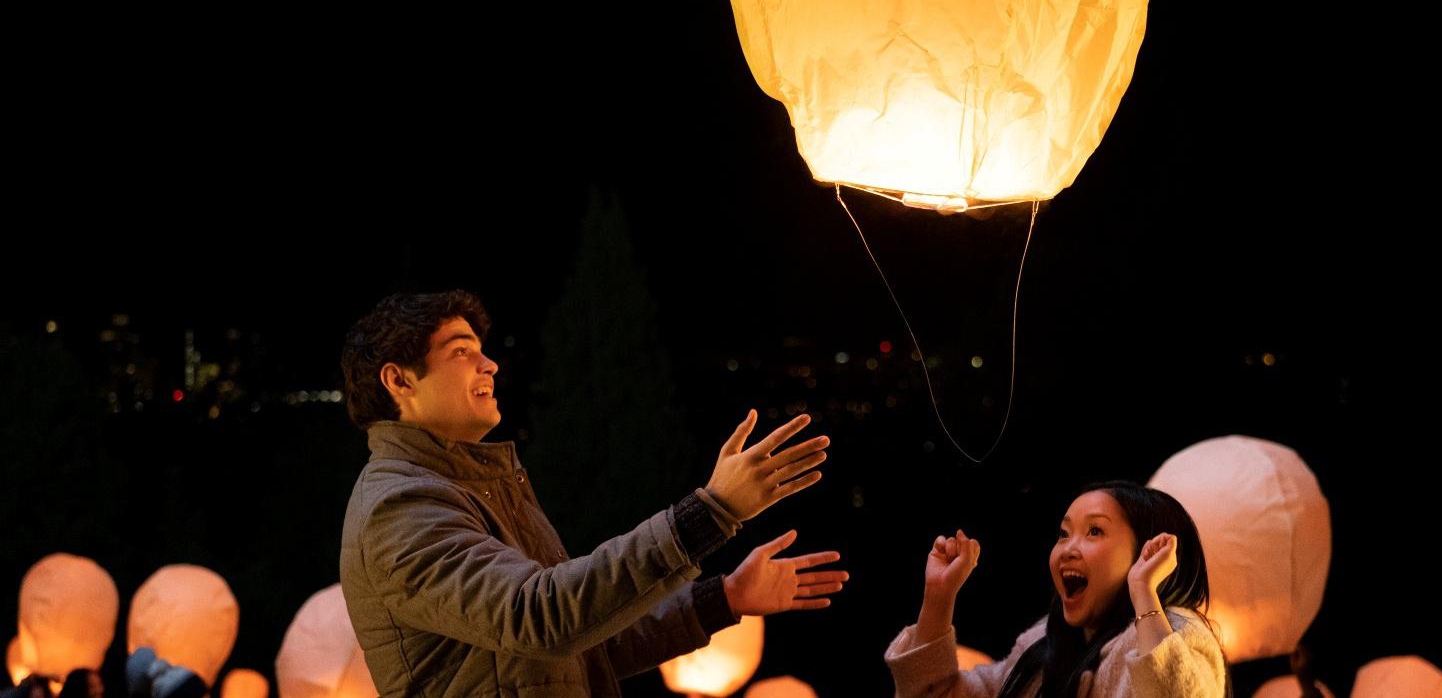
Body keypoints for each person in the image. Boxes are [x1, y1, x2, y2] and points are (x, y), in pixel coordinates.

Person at [338, 290, 847, 697]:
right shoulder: (399, 507)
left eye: (481, 349)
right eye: (460, 351)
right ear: (399, 380)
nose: (489, 364)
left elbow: (584, 645)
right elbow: (539, 616)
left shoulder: (472, 487)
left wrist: (724, 599)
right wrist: (710, 513)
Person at [887, 480, 1227, 698]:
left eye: (1095, 531)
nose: (1068, 549)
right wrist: (939, 596)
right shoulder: (1042, 646)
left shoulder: (1179, 634)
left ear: (1146, 551)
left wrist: (1143, 590)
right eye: (1064, 534)